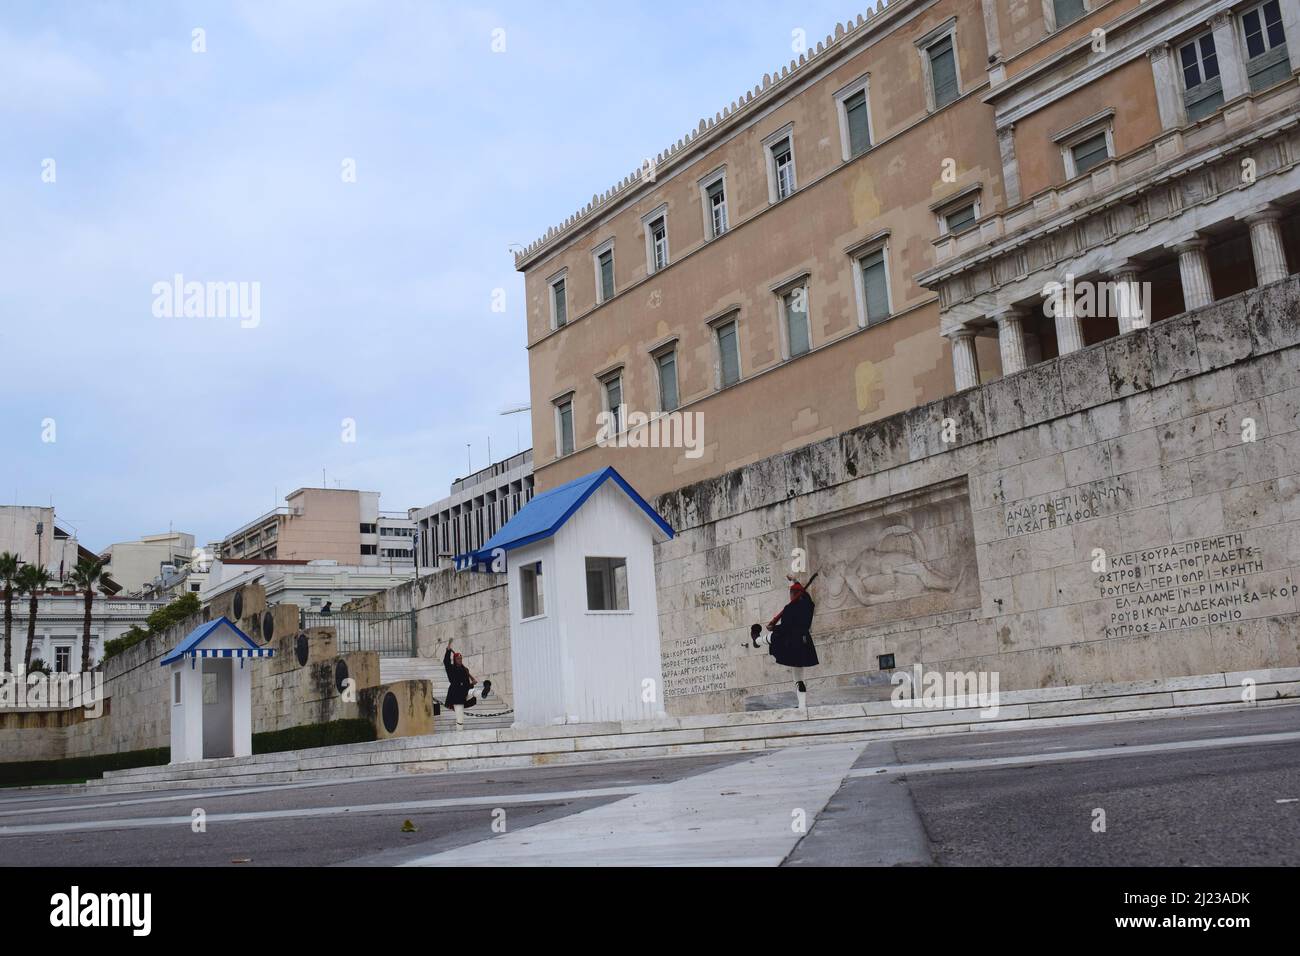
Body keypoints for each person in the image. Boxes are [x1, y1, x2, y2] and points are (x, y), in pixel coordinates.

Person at [766, 575, 819, 709]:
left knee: (773, 638)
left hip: (793, 643)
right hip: (805, 642)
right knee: (799, 677)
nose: (789, 596)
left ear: (792, 594)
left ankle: (757, 640)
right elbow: (807, 597)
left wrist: (773, 627)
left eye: (790, 593)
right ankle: (801, 705)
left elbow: (785, 628)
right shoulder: (808, 606)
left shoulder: (789, 609)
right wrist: (795, 582)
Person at [443, 641, 492, 729]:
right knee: (460, 718)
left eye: (461, 659)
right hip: (456, 695)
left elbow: (465, 683)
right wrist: (448, 651)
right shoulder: (451, 668)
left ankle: (483, 693)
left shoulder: (465, 669)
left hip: (465, 691)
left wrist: (471, 684)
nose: (460, 660)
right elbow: (446, 662)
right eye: (458, 659)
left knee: (473, 691)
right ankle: (459, 732)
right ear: (454, 660)